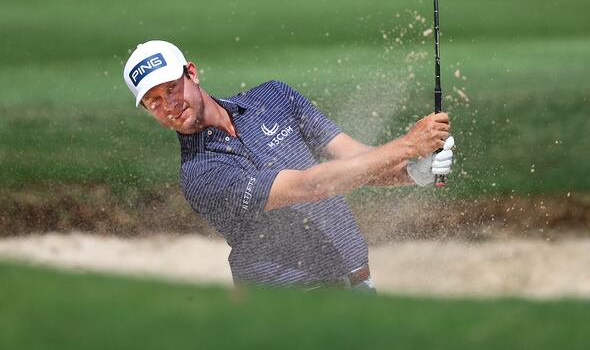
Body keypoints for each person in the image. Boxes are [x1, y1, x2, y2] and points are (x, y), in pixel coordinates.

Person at [123, 40, 454, 291]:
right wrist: (407, 145)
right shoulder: (201, 175)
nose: (169, 104)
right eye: (154, 101)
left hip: (358, 287)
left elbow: (356, 160)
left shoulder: (273, 98)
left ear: (191, 73)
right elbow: (309, 186)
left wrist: (412, 171)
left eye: (171, 88)